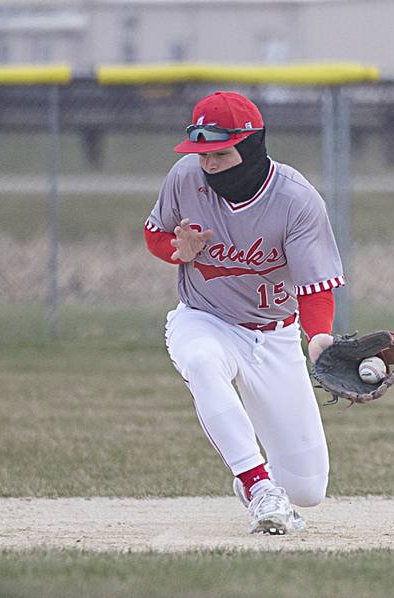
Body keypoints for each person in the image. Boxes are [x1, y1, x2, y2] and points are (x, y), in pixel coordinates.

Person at [144, 90, 345, 535]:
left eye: (220, 153)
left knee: (308, 488)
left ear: (251, 147)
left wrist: (319, 340)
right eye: (202, 153)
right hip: (205, 317)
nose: (208, 164)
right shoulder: (184, 178)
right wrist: (177, 251)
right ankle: (257, 486)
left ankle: (269, 484)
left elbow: (316, 287)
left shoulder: (296, 200)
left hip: (274, 334)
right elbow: (154, 233)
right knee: (201, 362)